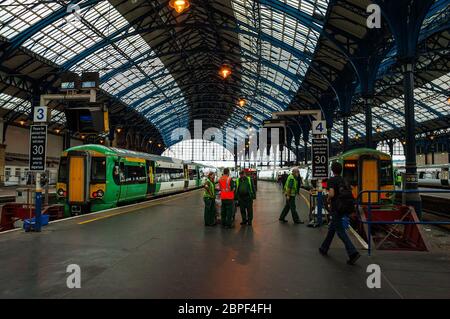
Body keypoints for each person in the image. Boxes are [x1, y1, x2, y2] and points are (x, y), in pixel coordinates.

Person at [319, 162, 360, 265]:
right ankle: (324, 248)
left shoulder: (332, 180)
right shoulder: (344, 179)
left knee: (340, 231)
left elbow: (332, 194)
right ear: (341, 170)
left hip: (336, 208)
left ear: (332, 170)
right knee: (332, 228)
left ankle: (353, 253)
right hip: (345, 207)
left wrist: (328, 199)